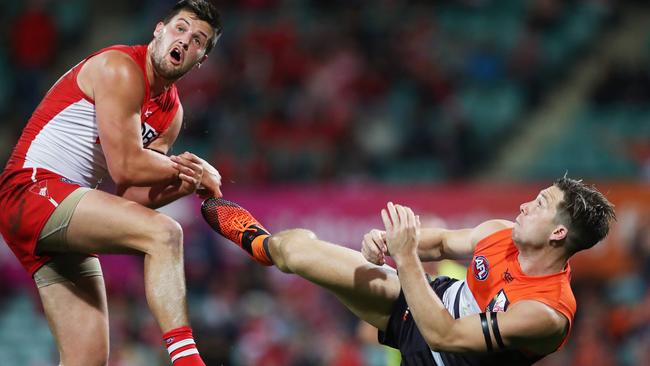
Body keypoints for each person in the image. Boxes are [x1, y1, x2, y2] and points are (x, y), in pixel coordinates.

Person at [0, 1, 223, 365]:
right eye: (180, 28)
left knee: (87, 360)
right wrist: (191, 170)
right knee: (166, 234)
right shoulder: (120, 68)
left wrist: (185, 182)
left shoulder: (171, 113)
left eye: (198, 39)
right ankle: (187, 360)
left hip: (62, 208)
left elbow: (131, 198)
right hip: (31, 191)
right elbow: (124, 167)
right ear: (158, 30)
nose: (185, 39)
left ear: (201, 59)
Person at [201, 177, 616, 365]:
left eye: (540, 204)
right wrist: (385, 241)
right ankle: (258, 242)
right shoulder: (500, 232)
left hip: (442, 353)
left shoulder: (547, 313)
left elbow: (445, 336)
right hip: (424, 300)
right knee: (292, 251)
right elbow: (434, 242)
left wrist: (405, 259)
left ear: (559, 232)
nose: (526, 205)